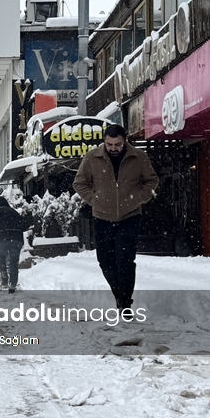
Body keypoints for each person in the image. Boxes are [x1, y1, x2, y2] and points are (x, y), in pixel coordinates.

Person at [73, 123, 159, 310]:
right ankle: (119, 295)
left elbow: (152, 181)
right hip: (102, 217)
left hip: (130, 216)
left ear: (124, 141)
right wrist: (95, 199)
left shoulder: (139, 157)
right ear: (104, 142)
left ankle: (125, 302)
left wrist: (137, 199)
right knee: (105, 261)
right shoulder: (92, 158)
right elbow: (79, 183)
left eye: (117, 144)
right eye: (110, 144)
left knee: (125, 260)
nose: (113, 148)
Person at [0, 196, 32, 293]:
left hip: (3, 238)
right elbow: (23, 225)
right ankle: (13, 284)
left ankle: (4, 278)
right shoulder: (14, 212)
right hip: (16, 238)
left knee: (1, 258)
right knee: (14, 261)